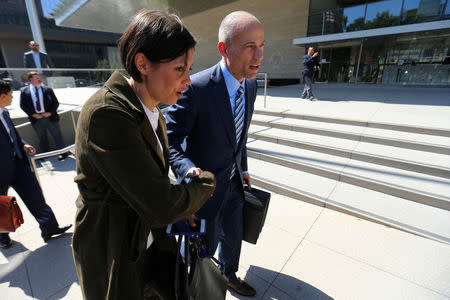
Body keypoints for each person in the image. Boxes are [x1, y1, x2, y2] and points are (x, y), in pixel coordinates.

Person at [72, 9, 216, 300]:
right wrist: (206, 184)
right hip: (115, 252)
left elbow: (149, 183)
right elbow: (160, 204)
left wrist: (182, 205)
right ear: (142, 63)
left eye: (189, 69)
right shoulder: (108, 113)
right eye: (179, 69)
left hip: (148, 243)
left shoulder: (151, 108)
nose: (187, 81)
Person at [166, 10, 264, 297]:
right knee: (203, 251)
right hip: (204, 192)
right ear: (224, 48)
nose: (258, 55)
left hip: (234, 185)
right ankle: (203, 289)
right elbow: (170, 141)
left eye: (262, 45)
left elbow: (239, 134)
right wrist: (188, 175)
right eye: (249, 46)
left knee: (234, 238)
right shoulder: (195, 88)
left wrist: (242, 166)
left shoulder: (251, 83)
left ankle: (230, 275)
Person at [0, 80, 71, 249]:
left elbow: (11, 134)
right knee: (1, 207)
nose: (12, 98)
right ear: (2, 96)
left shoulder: (4, 112)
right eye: (10, 95)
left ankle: (49, 228)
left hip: (18, 165)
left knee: (36, 196)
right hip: (1, 172)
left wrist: (22, 143)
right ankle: (3, 238)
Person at [19, 72, 68, 160]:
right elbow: (22, 105)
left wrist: (50, 113)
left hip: (50, 117)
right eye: (36, 78)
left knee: (57, 135)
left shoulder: (47, 89)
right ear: (30, 79)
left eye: (38, 77)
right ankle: (46, 155)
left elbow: (55, 103)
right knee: (42, 138)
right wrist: (32, 114)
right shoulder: (24, 91)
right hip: (36, 119)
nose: (39, 79)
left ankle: (63, 153)